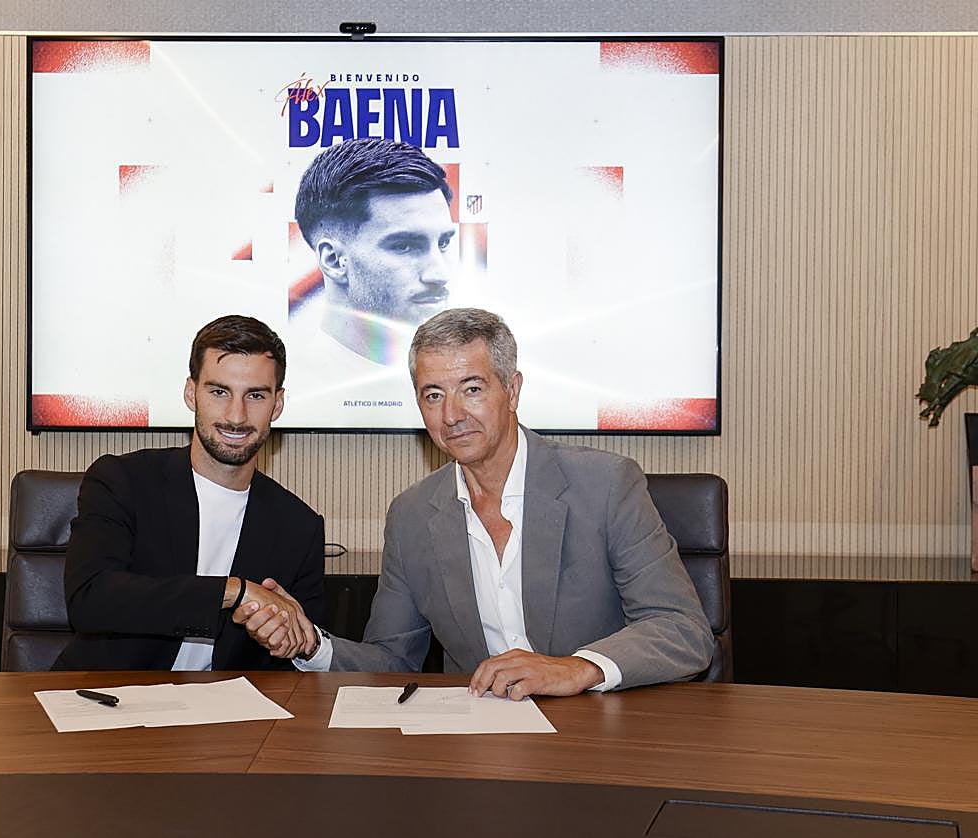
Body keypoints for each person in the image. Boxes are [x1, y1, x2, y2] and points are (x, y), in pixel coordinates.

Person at [236, 308, 713, 696]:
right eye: (433, 395)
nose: (453, 415)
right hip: (478, 742)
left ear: (513, 390)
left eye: (472, 389)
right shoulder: (412, 515)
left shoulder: (606, 484)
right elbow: (391, 660)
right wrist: (310, 643)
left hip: (599, 732)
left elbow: (682, 630)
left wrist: (575, 668)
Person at [53, 315, 324, 671]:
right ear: (190, 393)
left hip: (225, 713)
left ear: (277, 404)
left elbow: (294, 655)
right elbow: (91, 600)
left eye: (255, 395)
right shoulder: (122, 482)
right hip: (110, 702)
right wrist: (234, 591)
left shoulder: (299, 526)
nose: (236, 415)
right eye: (219, 391)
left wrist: (288, 638)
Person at [294, 137, 457, 365]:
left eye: (443, 243)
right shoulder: (290, 389)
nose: (440, 275)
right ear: (333, 261)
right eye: (404, 246)